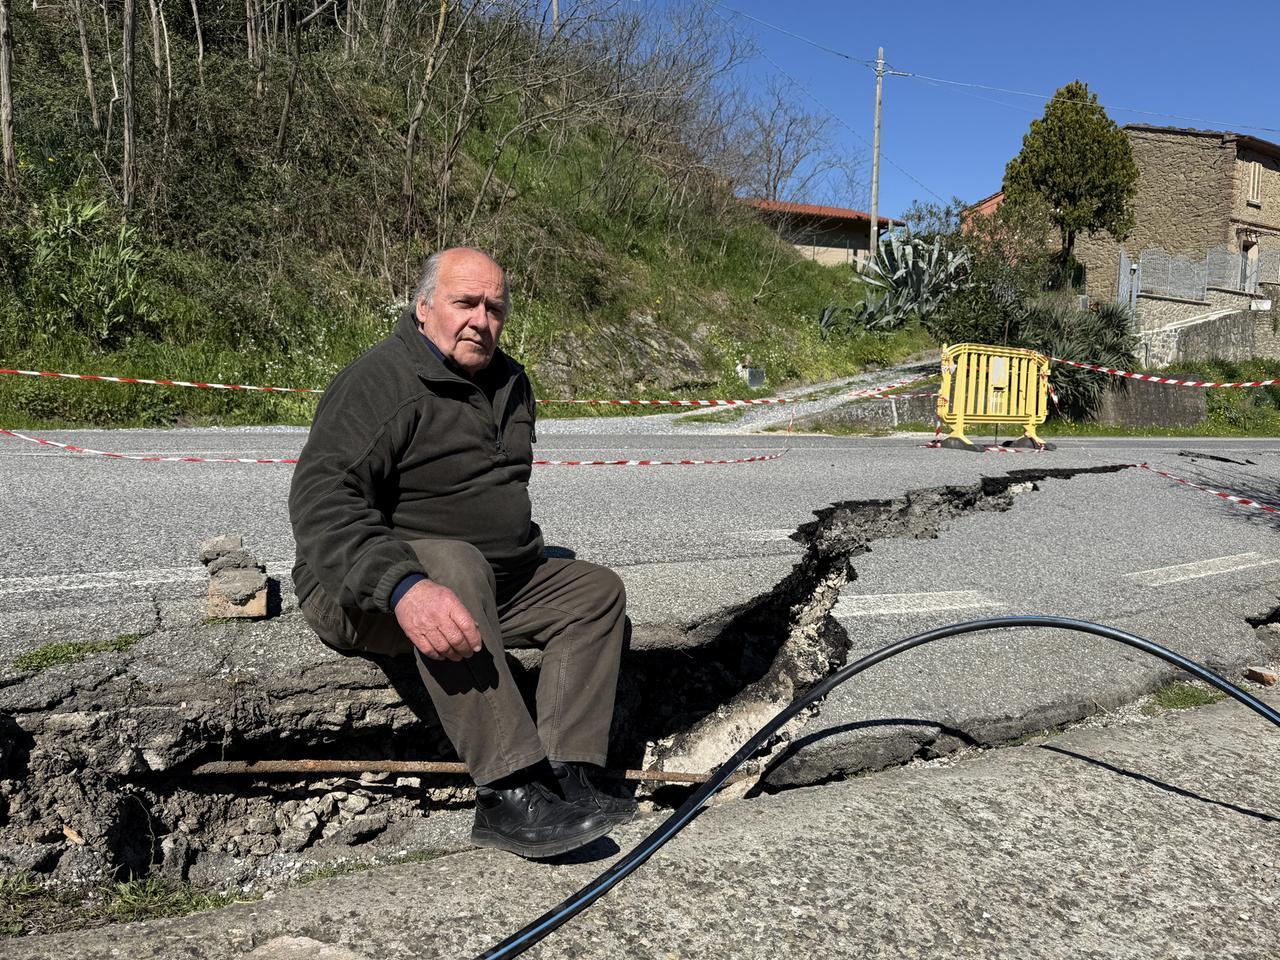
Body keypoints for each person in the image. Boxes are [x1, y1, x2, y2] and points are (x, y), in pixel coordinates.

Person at [288, 246, 633, 859]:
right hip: (367, 592)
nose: (481, 319)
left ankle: (564, 775)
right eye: (464, 302)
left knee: (594, 592)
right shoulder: (379, 382)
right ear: (424, 309)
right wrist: (402, 588)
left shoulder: (510, 382)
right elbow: (322, 502)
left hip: (489, 585)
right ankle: (508, 790)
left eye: (494, 307)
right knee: (455, 564)